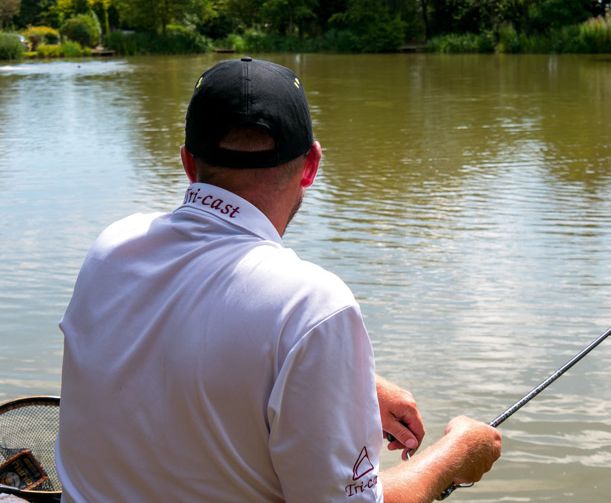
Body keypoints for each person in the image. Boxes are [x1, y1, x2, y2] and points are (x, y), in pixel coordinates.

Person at [56, 57, 501, 502]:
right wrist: (456, 455)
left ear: (189, 164)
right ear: (311, 165)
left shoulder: (113, 247)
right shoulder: (313, 306)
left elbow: (180, 346)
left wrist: (349, 381)